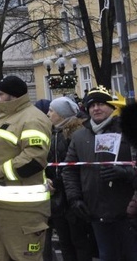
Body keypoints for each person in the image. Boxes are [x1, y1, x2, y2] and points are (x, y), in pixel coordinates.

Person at [0, 75, 51, 261]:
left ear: (13, 96)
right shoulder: (2, 118)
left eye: (0, 94)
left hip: (22, 210)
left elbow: (34, 159)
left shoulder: (32, 119)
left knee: (25, 257)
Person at [62, 86, 137, 261]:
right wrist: (75, 198)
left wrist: (125, 172)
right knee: (107, 255)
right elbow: (70, 169)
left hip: (128, 212)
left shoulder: (128, 131)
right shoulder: (79, 137)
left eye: (101, 104)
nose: (96, 108)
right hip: (96, 211)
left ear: (112, 107)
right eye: (92, 105)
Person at [43, 96, 94, 261]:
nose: (48, 113)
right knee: (65, 241)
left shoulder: (76, 133)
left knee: (79, 241)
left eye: (52, 111)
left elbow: (73, 165)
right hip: (57, 197)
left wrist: (57, 182)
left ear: (62, 114)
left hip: (73, 195)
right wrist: (46, 178)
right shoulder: (53, 133)